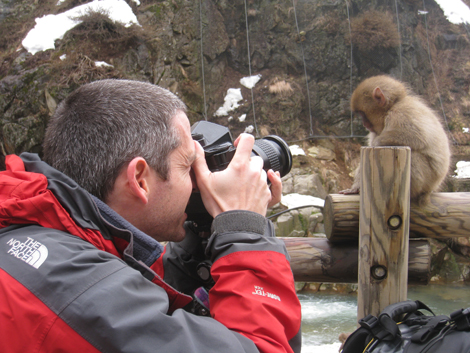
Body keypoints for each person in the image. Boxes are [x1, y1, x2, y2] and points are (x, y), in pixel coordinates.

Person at [0, 79, 302, 352]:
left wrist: (211, 226)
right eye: (189, 165)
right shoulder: (82, 293)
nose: (201, 177)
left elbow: (159, 306)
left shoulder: (48, 237)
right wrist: (245, 228)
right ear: (140, 180)